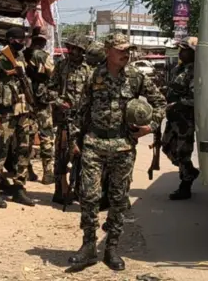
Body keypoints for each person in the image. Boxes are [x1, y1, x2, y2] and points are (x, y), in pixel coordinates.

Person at [68, 33, 165, 272]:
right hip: (94, 143)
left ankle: (111, 248)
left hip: (122, 146)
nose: (126, 53)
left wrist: (148, 127)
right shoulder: (93, 76)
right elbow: (80, 110)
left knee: (118, 199)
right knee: (89, 196)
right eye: (121, 49)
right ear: (109, 50)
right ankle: (89, 246)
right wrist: (73, 139)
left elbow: (160, 102)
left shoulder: (136, 77)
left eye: (128, 49)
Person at [0, 27, 36, 208]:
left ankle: (19, 188)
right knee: (0, 150)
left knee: (24, 149)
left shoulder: (21, 58)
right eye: (19, 39)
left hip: (23, 112)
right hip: (5, 112)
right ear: (10, 39)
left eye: (24, 39)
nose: (22, 42)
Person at [49, 35, 90, 205]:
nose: (72, 52)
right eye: (70, 48)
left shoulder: (89, 70)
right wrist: (59, 102)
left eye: (76, 49)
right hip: (64, 121)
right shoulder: (61, 66)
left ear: (82, 51)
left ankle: (79, 190)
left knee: (81, 157)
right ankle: (60, 191)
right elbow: (49, 88)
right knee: (61, 156)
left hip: (82, 121)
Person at [162, 36, 199, 200]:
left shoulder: (196, 72)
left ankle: (185, 186)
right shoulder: (180, 69)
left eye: (184, 50)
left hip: (185, 119)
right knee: (167, 146)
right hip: (174, 118)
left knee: (183, 152)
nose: (181, 52)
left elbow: (196, 98)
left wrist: (177, 104)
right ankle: (190, 172)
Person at [24, 27, 56, 185]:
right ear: (43, 41)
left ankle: (26, 170)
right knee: (46, 136)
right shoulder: (43, 56)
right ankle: (48, 172)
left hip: (26, 102)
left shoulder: (22, 55)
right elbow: (53, 75)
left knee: (26, 137)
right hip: (42, 102)